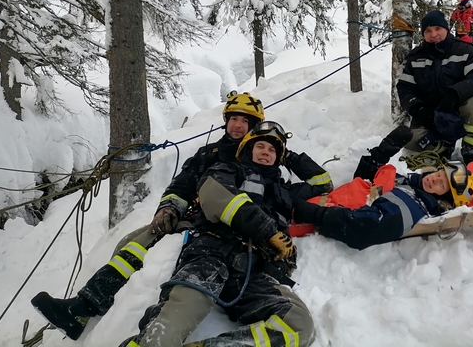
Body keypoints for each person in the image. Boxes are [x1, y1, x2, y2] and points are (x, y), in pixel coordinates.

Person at [31, 92, 331, 341]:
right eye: (234, 119)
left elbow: (321, 184)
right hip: (206, 222)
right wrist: (170, 207)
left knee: (295, 322)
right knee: (136, 241)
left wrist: (281, 147)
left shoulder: (279, 184)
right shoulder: (212, 156)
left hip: (252, 260)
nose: (239, 125)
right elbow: (185, 186)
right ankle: (85, 305)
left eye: (247, 122)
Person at [121, 121, 323, 347]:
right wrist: (268, 231)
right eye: (260, 147)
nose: (266, 152)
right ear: (248, 149)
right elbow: (214, 195)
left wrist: (289, 155)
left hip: (254, 272)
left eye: (272, 150)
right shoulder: (227, 169)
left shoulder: (287, 191)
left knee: (298, 325)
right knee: (169, 326)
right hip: (211, 256)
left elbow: (323, 182)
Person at [292, 126, 473, 250]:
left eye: (442, 183)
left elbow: (362, 228)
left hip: (307, 213)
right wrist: (379, 155)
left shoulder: (412, 206)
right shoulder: (410, 184)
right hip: (319, 197)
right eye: (438, 173)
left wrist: (314, 214)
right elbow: (364, 189)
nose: (434, 178)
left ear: (445, 198)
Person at [396, 10, 473, 164]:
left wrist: (455, 95)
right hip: (430, 116)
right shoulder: (415, 58)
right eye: (428, 31)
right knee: (408, 140)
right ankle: (442, 147)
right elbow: (405, 88)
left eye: (438, 29)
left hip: (459, 108)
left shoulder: (467, 51)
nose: (433, 34)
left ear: (446, 29)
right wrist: (418, 109)